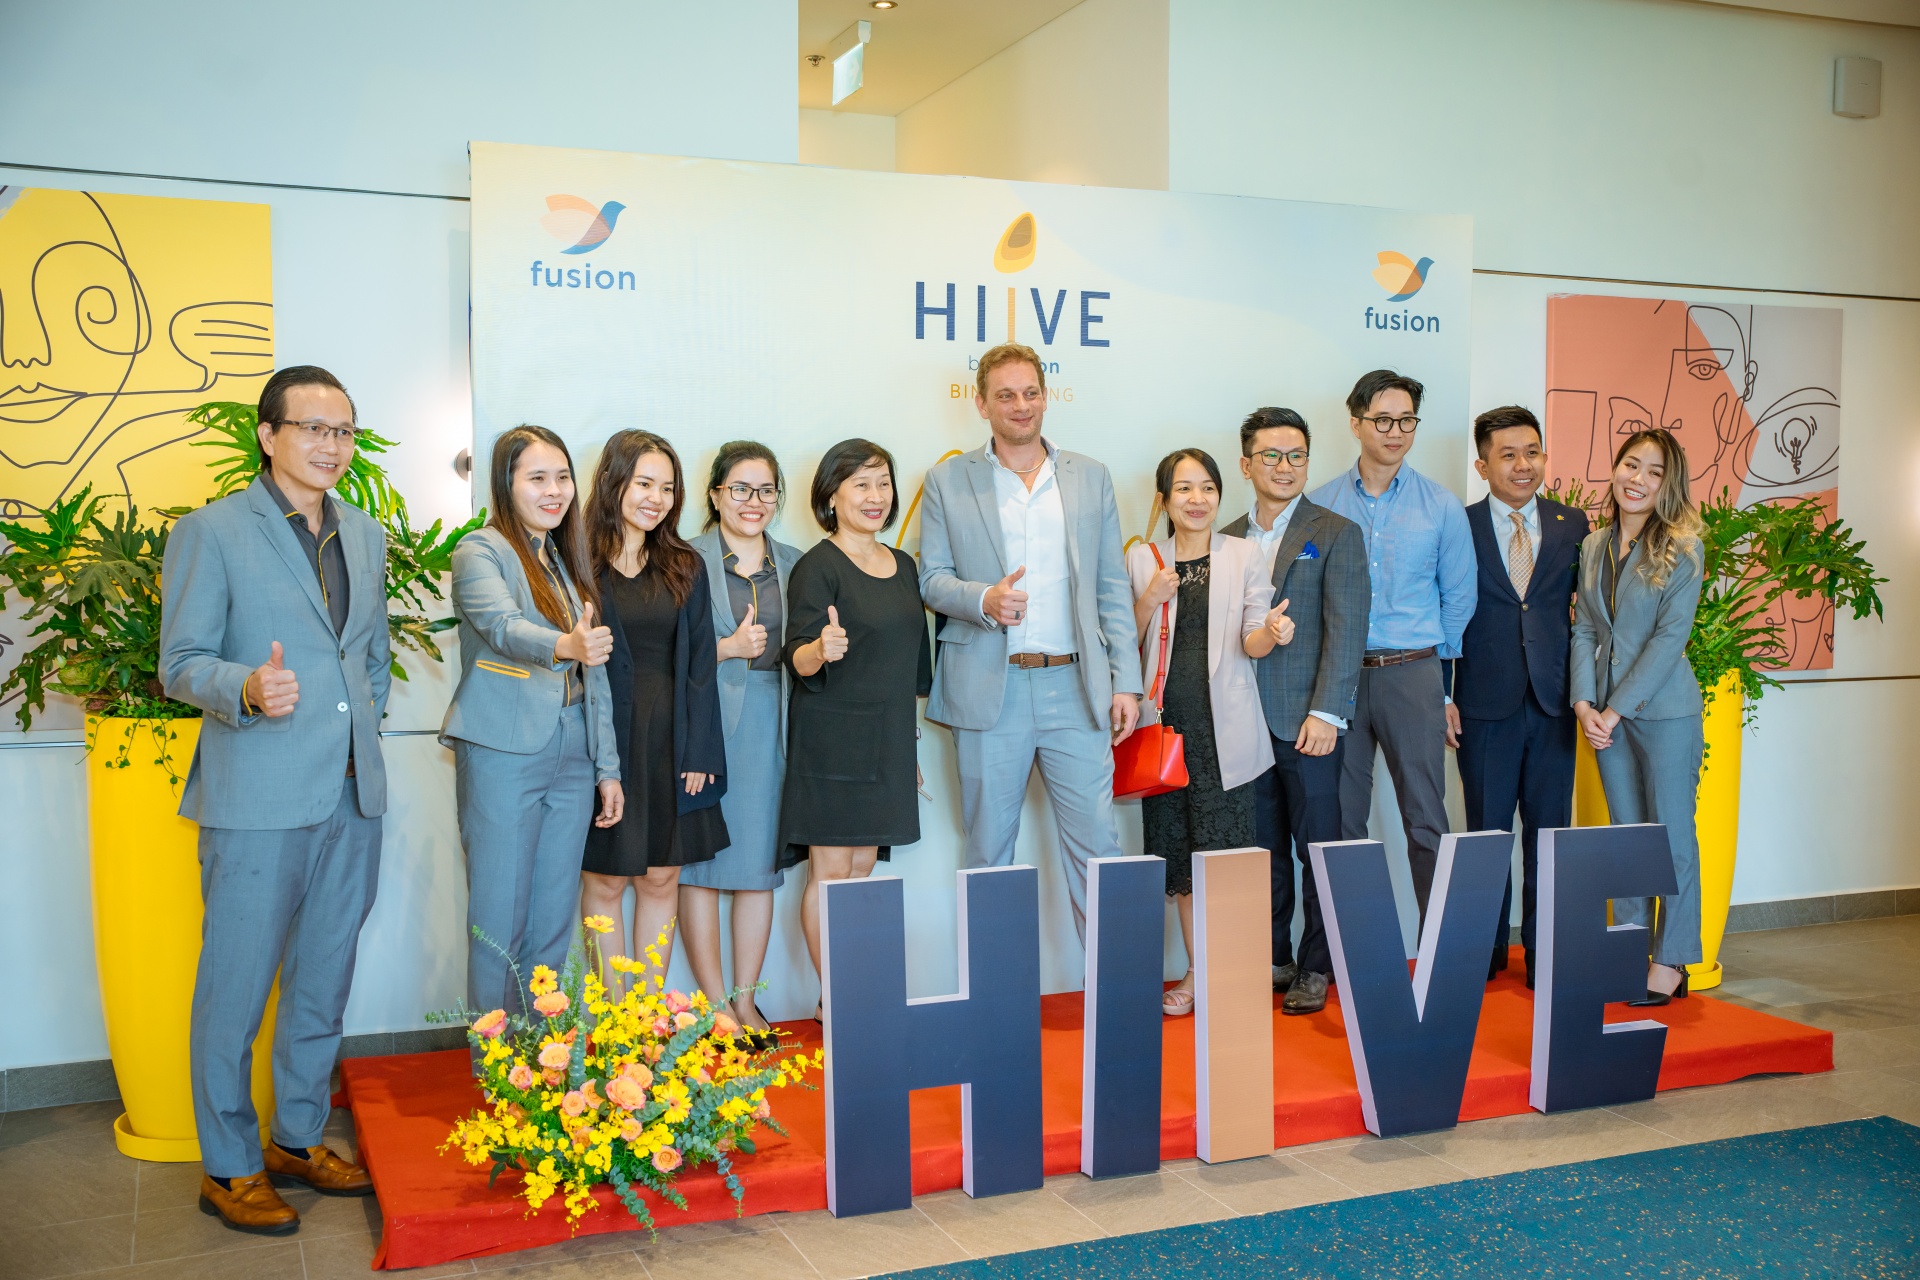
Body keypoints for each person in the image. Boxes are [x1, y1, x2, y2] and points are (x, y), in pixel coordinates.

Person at [160, 365, 387, 1232]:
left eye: (343, 431)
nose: (332, 445)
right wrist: (248, 689)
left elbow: (369, 656)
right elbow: (180, 663)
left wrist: (359, 729)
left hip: (352, 794)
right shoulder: (212, 532)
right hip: (256, 795)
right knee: (236, 987)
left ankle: (296, 1138)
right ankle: (228, 1166)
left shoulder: (364, 533)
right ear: (268, 434)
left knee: (323, 981)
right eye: (313, 428)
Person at [919, 343, 1143, 940]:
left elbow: (1111, 586)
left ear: (1046, 396)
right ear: (981, 404)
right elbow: (931, 578)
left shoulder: (1090, 476)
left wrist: (1126, 682)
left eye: (1030, 393)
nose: (1021, 405)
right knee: (988, 852)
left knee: (1099, 849)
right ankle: (994, 990)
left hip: (1076, 687)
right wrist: (983, 600)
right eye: (1006, 395)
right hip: (989, 690)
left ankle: (1111, 982)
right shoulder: (947, 479)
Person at [442, 426, 623, 1027]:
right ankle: (495, 1066)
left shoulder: (564, 560)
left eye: (563, 477)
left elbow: (596, 672)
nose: (554, 491)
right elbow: (501, 626)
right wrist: (565, 644)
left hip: (573, 749)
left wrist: (608, 768)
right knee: (499, 921)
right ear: (505, 483)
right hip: (504, 750)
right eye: (537, 478)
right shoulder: (480, 551)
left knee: (552, 922)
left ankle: (541, 1062)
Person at [1309, 369, 1475, 922]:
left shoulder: (1441, 505)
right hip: (1341, 680)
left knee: (1427, 818)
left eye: (1406, 420)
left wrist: (1441, 688)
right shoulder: (1321, 504)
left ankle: (1440, 949)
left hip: (1413, 674)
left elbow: (1458, 601)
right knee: (1342, 823)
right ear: (1355, 423)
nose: (1396, 432)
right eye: (1383, 420)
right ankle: (1350, 952)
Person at [1128, 449, 1286, 1016]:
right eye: (1184, 489)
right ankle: (1199, 973)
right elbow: (1121, 641)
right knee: (1180, 859)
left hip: (1225, 732)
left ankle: (1232, 976)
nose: (1197, 500)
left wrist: (1272, 631)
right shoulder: (1142, 558)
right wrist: (1150, 598)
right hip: (1164, 732)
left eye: (1208, 488)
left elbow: (1252, 640)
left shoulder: (1243, 554)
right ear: (1164, 499)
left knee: (1225, 858)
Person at [1222, 407, 1369, 1015]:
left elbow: (1347, 630)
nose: (1285, 467)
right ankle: (1274, 957)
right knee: (1261, 854)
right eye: (1271, 456)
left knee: (1319, 851)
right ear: (1246, 464)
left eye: (1297, 456)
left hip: (1306, 723)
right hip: (1242, 726)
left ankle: (1317, 966)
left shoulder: (1335, 532)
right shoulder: (1226, 537)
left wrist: (1328, 713)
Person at [778, 439, 933, 1014]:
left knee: (863, 867)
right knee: (831, 870)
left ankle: (854, 992)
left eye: (883, 483)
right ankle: (838, 999)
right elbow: (796, 657)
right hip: (832, 739)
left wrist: (908, 746)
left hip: (887, 739)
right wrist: (820, 648)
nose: (875, 496)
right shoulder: (817, 566)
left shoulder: (904, 566)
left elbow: (909, 669)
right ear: (831, 496)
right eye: (861, 484)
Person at [580, 430, 728, 991]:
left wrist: (700, 751)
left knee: (662, 878)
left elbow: (701, 666)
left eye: (667, 488)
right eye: (644, 483)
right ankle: (613, 1020)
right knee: (605, 880)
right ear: (613, 481)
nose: (657, 499)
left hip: (672, 738)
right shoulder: (576, 562)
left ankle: (645, 1019)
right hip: (601, 739)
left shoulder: (685, 564)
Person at [1448, 406, 1589, 990]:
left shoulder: (1573, 525)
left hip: (1555, 702)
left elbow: (1590, 616)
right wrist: (1442, 694)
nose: (1523, 465)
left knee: (1549, 834)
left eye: (1532, 452)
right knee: (1487, 833)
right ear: (1483, 466)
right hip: (1483, 703)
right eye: (1507, 455)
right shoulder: (1459, 525)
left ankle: (1544, 951)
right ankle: (1486, 951)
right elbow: (1443, 614)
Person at [1570, 427, 1706, 1006]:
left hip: (1664, 712)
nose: (1639, 479)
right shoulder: (1594, 545)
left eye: (1655, 472)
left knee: (1670, 836)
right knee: (1627, 837)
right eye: (1631, 464)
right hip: (1604, 714)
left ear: (1667, 485)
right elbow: (1583, 627)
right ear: (1616, 468)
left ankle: (1672, 959)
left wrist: (1615, 708)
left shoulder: (1683, 548)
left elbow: (1670, 639)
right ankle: (1629, 950)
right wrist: (1584, 703)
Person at [682, 441, 802, 1036]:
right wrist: (726, 648)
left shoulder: (798, 563)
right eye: (740, 489)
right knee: (698, 866)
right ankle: (714, 1008)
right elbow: (662, 651)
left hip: (770, 724)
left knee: (758, 867)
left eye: (765, 490)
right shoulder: (683, 558)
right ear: (715, 494)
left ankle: (747, 1001)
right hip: (700, 722)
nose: (753, 501)